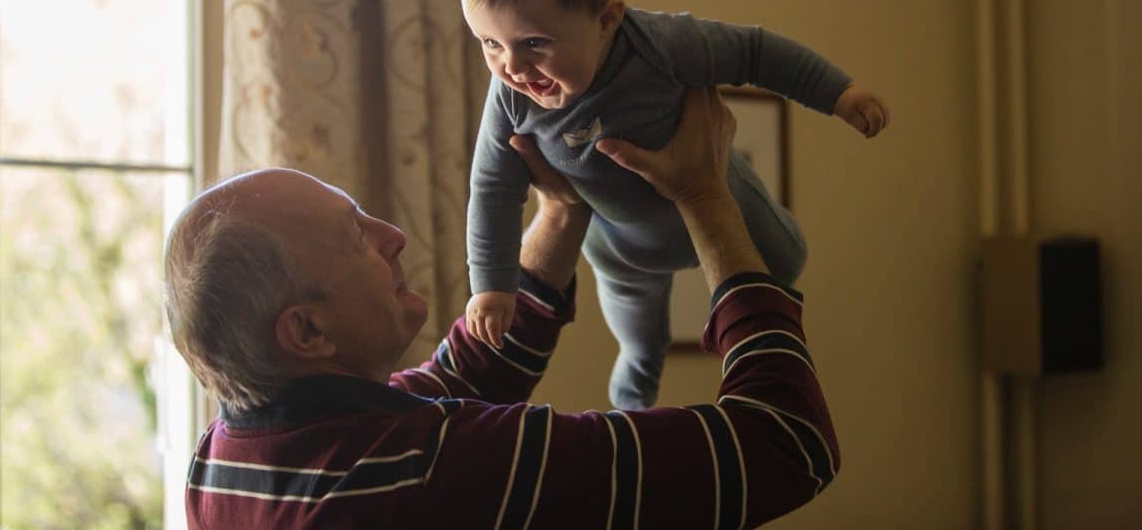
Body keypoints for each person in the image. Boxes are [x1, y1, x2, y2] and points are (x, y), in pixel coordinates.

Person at [165, 88, 840, 529]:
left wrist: (562, 209)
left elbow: (460, 377)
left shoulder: (224, 460)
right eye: (355, 237)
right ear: (306, 330)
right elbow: (785, 442)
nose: (392, 237)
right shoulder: (435, 473)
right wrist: (705, 197)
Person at [461, 0, 890, 408]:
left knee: (788, 260)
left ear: (606, 19)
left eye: (533, 43)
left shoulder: (661, 46)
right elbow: (492, 189)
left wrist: (839, 94)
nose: (512, 67)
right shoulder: (509, 98)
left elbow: (756, 52)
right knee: (641, 341)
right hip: (621, 249)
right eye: (489, 43)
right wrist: (491, 285)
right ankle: (633, 404)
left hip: (721, 195)